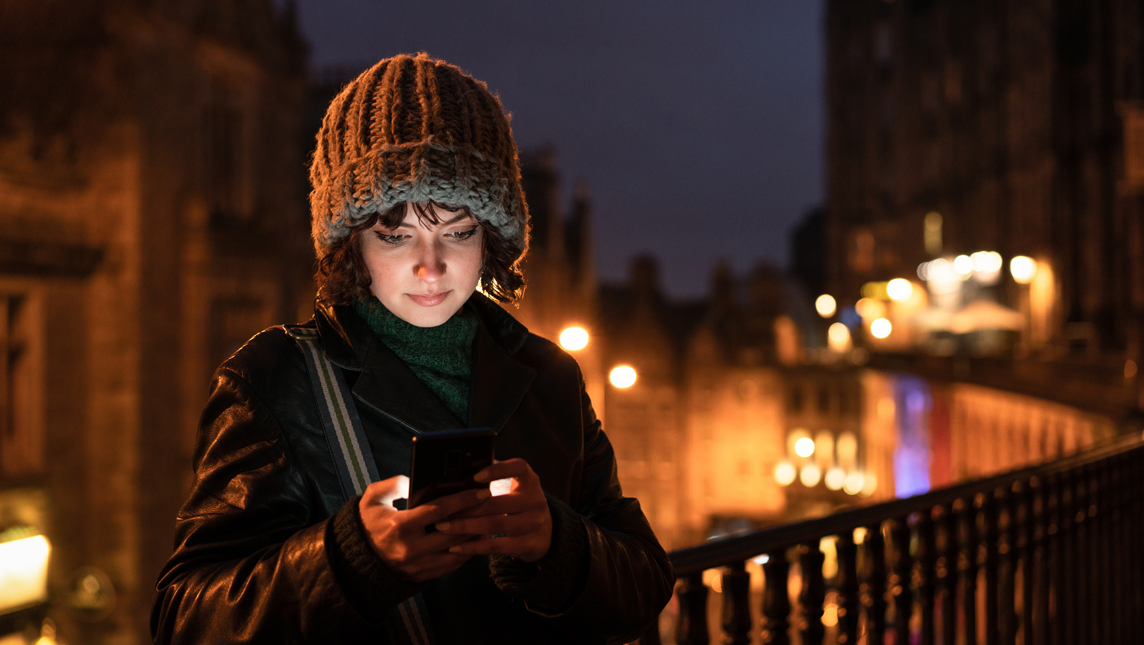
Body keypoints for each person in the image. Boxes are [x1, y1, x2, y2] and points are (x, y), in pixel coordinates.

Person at [151, 53, 674, 644]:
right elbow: (184, 619)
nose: (431, 268)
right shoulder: (273, 382)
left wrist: (561, 544)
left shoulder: (548, 374)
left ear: (492, 240)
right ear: (351, 245)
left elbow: (646, 581)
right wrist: (345, 561)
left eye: (458, 232)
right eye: (395, 236)